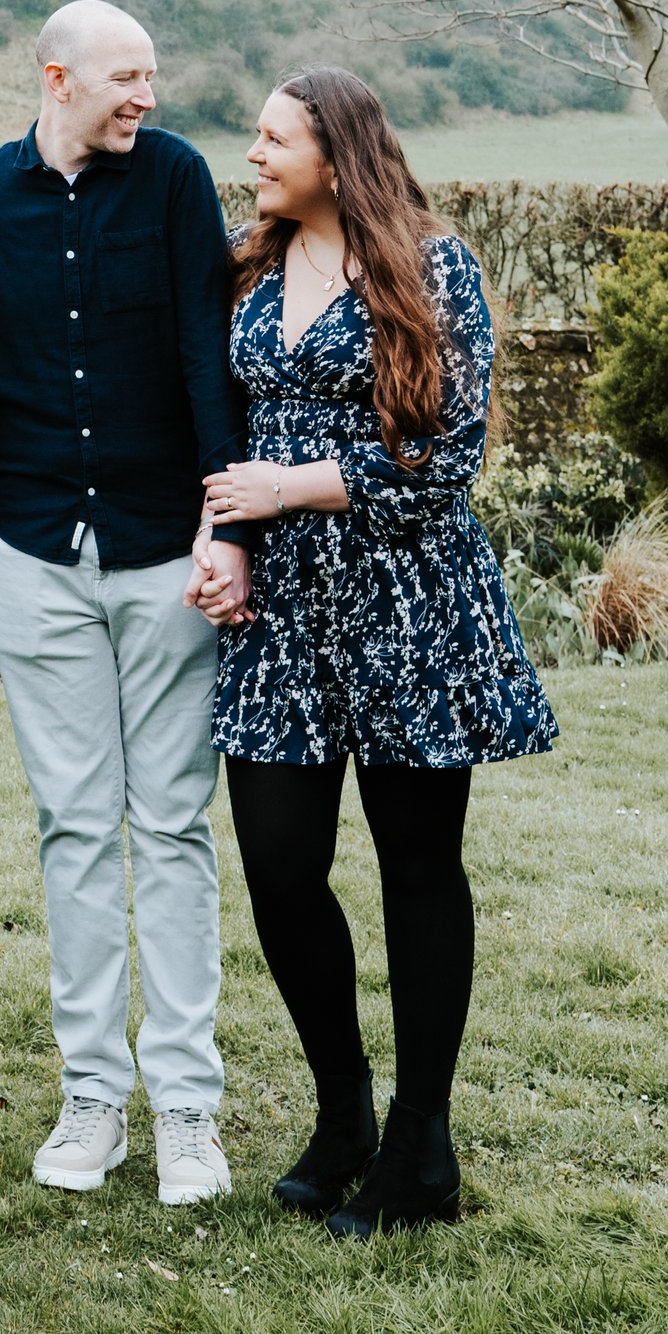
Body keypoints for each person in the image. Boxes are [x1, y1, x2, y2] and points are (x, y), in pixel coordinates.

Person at [197, 67, 556, 1239]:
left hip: (408, 597)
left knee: (416, 869)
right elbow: (228, 425)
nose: (252, 156)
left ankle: (420, 1149)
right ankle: (341, 1110)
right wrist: (228, 536)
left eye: (271, 138)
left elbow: (450, 453)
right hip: (281, 615)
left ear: (336, 151)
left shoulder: (433, 265)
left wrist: (291, 487)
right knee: (281, 869)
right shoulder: (246, 264)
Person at [0, 0, 251, 1207]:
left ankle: (185, 1108)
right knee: (71, 823)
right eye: (128, 77)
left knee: (168, 823)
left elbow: (202, 353)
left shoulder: (174, 180)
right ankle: (91, 1097)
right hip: (31, 545)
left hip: (168, 543)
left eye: (154, 76)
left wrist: (223, 530)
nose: (149, 97)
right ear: (56, 76)